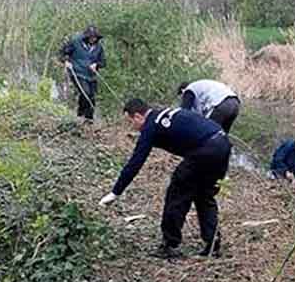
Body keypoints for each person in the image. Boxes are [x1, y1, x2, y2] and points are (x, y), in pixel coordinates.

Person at [98, 99, 231, 259]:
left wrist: (115, 193)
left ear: (138, 116)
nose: (132, 127)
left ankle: (169, 245)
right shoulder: (162, 114)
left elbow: (135, 162)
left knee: (177, 193)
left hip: (205, 149)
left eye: (130, 121)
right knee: (204, 195)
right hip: (222, 143)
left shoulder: (151, 126)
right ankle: (213, 245)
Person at [61, 25, 106, 123]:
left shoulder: (98, 47)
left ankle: (87, 118)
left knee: (92, 96)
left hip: (91, 76)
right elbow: (63, 53)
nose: (93, 39)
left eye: (95, 37)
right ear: (86, 37)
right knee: (85, 92)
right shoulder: (75, 42)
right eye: (91, 37)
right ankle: (84, 116)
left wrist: (96, 65)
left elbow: (103, 62)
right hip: (77, 72)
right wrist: (66, 61)